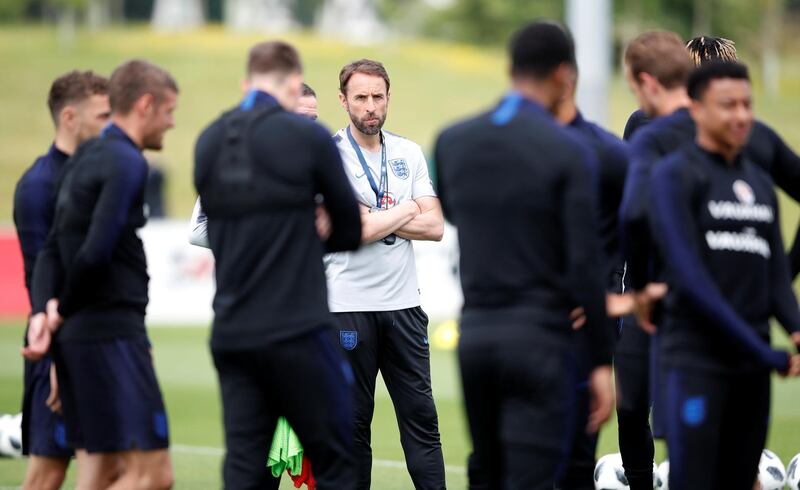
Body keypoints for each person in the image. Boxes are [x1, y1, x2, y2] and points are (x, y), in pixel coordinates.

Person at [434, 21, 614, 489]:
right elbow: (584, 264)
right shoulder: (570, 150)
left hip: (476, 339)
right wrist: (599, 363)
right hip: (540, 341)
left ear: (510, 69)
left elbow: (452, 213)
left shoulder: (453, 141)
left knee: (488, 475)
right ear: (564, 75)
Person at [193, 41, 362, 489]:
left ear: (246, 83)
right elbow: (348, 231)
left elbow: (214, 228)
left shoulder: (209, 140)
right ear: (292, 83)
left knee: (245, 465)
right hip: (297, 329)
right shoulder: (307, 137)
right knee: (335, 462)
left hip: (232, 331)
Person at [22, 59, 177, 489]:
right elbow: (94, 251)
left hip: (82, 334)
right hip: (109, 335)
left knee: (102, 469)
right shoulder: (127, 163)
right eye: (168, 111)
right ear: (145, 105)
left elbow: (55, 247)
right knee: (154, 475)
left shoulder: (86, 155)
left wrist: (50, 312)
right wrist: (58, 310)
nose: (172, 123)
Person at [649, 60, 800, 489]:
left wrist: (795, 327)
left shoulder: (761, 185)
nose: (740, 115)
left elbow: (773, 276)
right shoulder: (675, 176)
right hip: (696, 361)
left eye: (747, 105)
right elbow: (691, 280)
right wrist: (761, 347)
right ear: (696, 108)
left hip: (750, 370)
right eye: (727, 105)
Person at [327, 58, 446, 490]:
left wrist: (378, 216)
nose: (370, 106)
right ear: (343, 101)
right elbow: (350, 231)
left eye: (378, 96)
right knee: (354, 429)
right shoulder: (328, 155)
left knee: (423, 423)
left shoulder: (408, 152)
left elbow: (435, 227)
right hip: (347, 309)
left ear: (388, 97)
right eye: (360, 98)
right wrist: (408, 207)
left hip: (404, 309)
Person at [13, 70, 110, 490]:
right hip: (58, 345)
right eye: (102, 115)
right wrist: (58, 357)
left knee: (111, 468)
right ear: (70, 117)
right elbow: (41, 277)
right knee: (47, 474)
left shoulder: (100, 173)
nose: (111, 124)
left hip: (99, 342)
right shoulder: (38, 185)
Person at [552, 59, 629, 490]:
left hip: (573, 329)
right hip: (533, 331)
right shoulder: (609, 148)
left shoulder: (608, 153)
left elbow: (621, 239)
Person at [188, 82, 322, 248]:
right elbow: (197, 231)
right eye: (300, 118)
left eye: (313, 119)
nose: (308, 127)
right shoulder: (234, 160)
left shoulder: (320, 163)